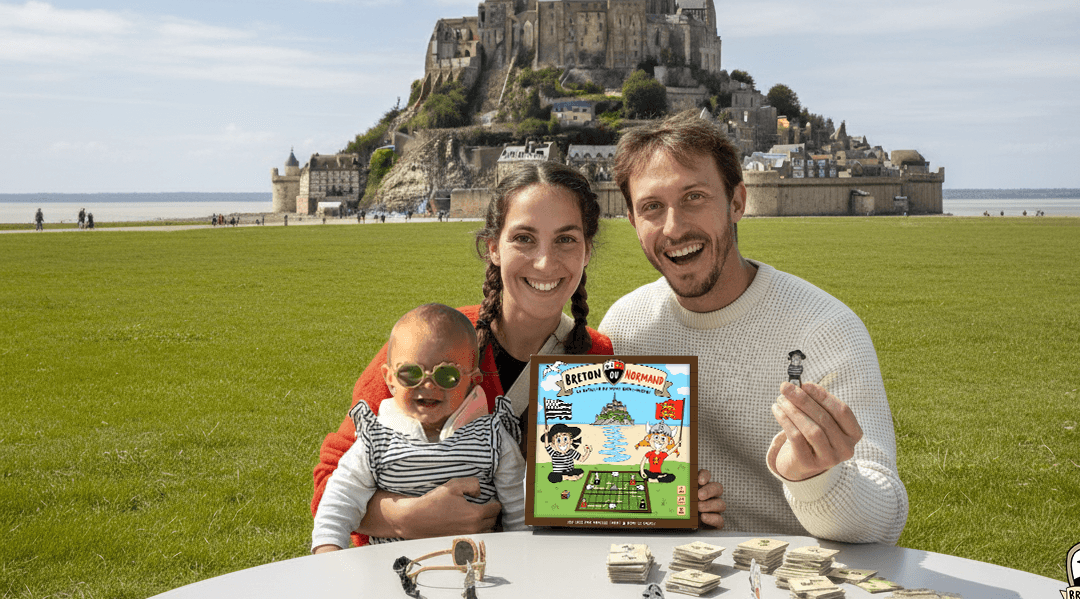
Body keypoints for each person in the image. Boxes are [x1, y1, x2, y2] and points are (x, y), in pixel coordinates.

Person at [599, 113, 907, 543]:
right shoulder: (625, 327)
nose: (673, 227)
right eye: (652, 207)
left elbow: (885, 519)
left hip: (796, 572)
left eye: (694, 197)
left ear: (737, 202)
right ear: (633, 221)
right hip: (669, 571)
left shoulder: (825, 328)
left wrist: (814, 477)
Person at [312, 162, 613, 543]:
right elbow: (329, 482)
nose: (544, 261)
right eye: (524, 238)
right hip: (411, 571)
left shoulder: (598, 358)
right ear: (493, 248)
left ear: (587, 251)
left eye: (565, 239)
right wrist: (405, 518)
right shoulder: (429, 343)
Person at [311, 304, 525, 553]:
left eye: (447, 375)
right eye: (411, 373)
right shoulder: (376, 440)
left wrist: (522, 556)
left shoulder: (492, 438)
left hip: (475, 569)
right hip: (393, 569)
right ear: (389, 378)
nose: (428, 385)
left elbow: (518, 509)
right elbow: (340, 498)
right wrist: (327, 551)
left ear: (473, 381)